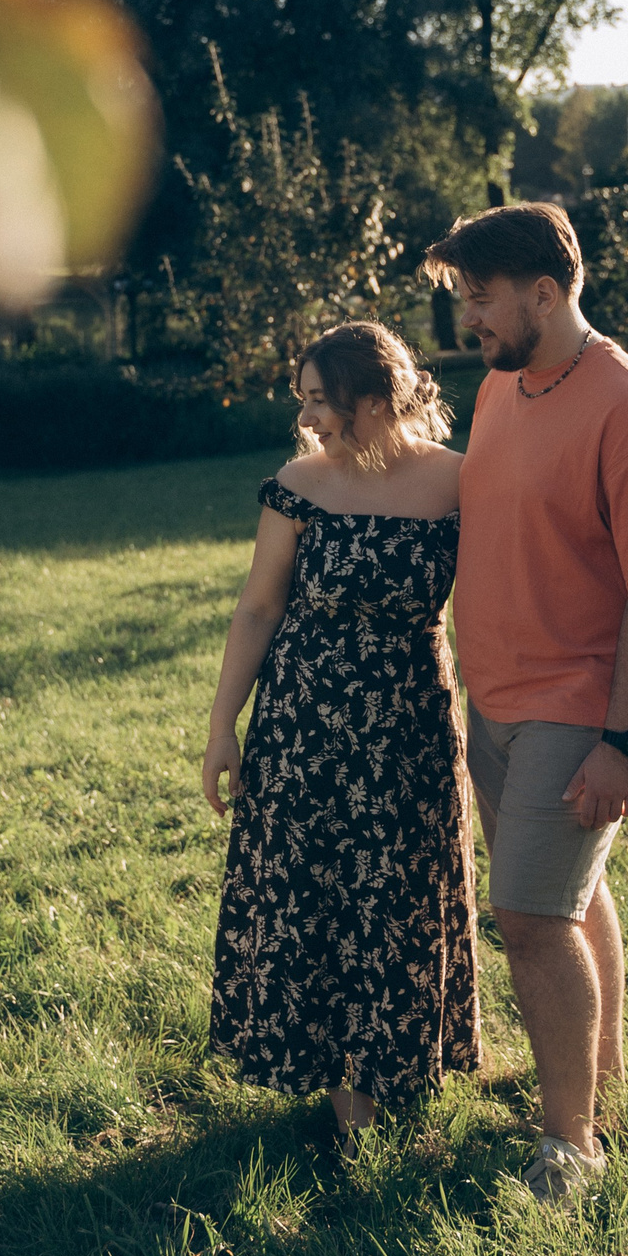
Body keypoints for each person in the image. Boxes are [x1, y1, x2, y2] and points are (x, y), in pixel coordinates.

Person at [424, 204, 628, 1205]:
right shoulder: (505, 384)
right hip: (492, 699)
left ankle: (570, 1144)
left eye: (480, 299)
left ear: (544, 293)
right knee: (568, 897)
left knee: (530, 918)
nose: (468, 321)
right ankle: (601, 1073)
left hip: (574, 705)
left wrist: (623, 741)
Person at [199, 321, 483, 1154]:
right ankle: (348, 1108)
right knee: (317, 900)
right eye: (304, 400)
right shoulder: (299, 484)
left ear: (377, 398)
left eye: (321, 400)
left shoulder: (460, 481)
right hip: (304, 729)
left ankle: (401, 1066)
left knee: (401, 897)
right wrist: (223, 727)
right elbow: (259, 607)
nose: (308, 418)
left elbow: (502, 591)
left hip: (411, 727)